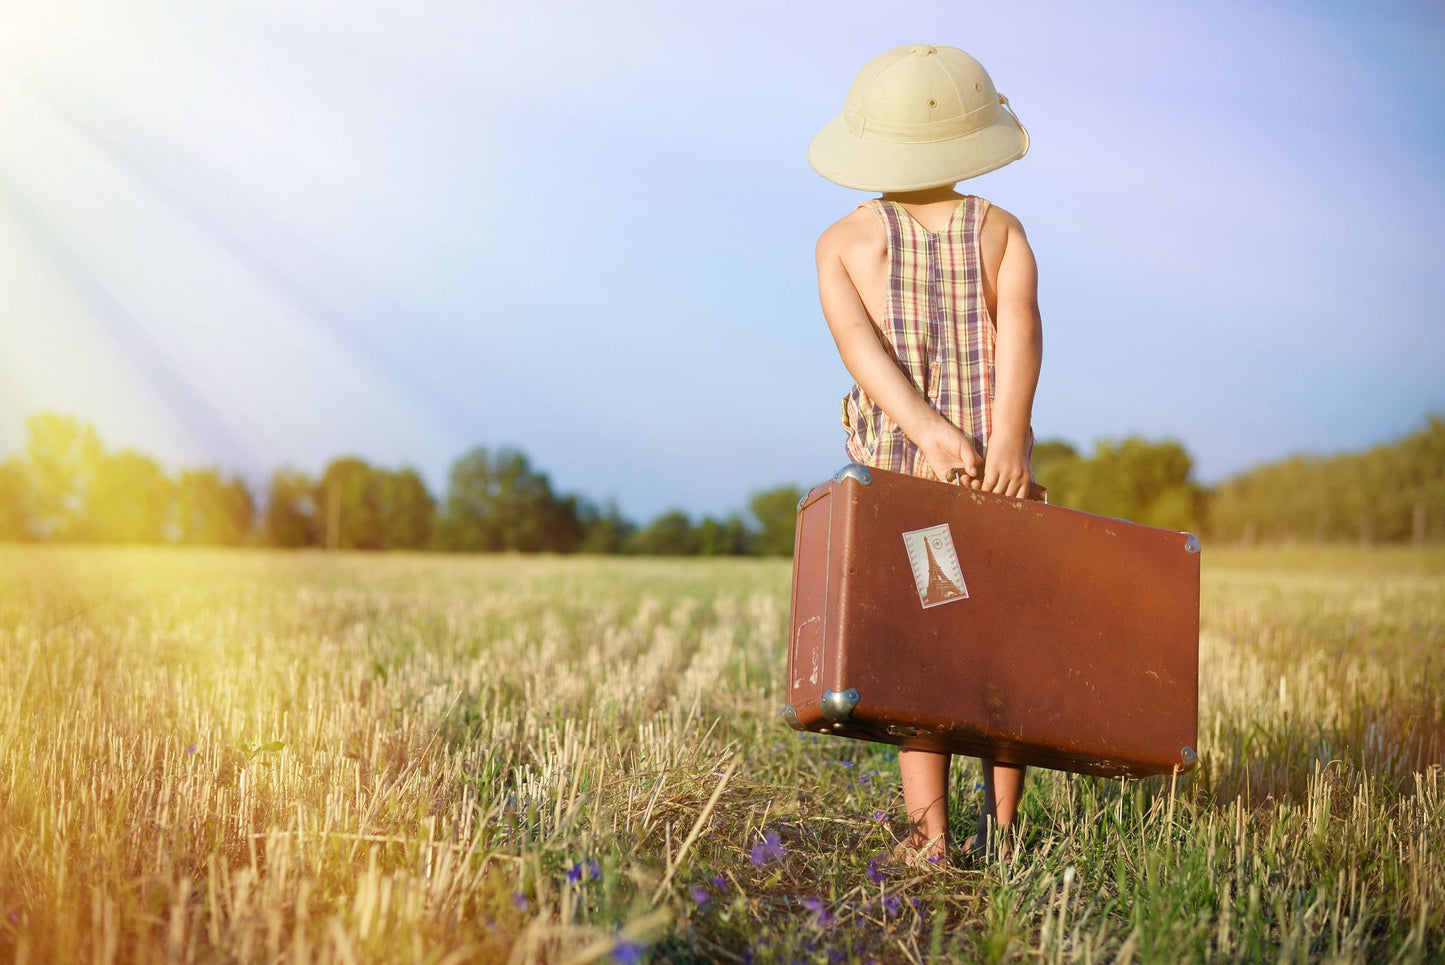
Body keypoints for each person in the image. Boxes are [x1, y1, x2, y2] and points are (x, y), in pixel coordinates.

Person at [808, 44, 1043, 864]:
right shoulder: (1001, 230)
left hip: (911, 485)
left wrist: (926, 433)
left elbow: (859, 352)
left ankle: (929, 837)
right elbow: (1019, 327)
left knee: (929, 650)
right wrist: (1003, 436)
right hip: (999, 481)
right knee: (1000, 645)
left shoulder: (842, 241)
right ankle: (1006, 833)